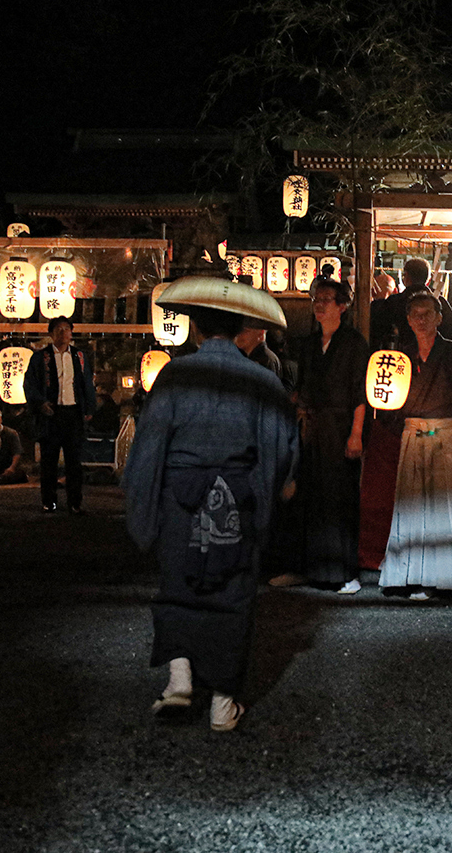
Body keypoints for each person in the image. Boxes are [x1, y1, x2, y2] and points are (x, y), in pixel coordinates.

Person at [124, 277, 298, 732]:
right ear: (241, 327)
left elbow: (149, 447)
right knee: (233, 592)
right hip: (235, 500)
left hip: (180, 499)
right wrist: (262, 505)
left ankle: (179, 682)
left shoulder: (175, 375)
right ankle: (223, 702)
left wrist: (143, 510)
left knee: (178, 583)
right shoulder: (262, 380)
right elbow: (278, 450)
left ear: (196, 330)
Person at [377, 291, 452, 603]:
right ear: (408, 321)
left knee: (448, 507)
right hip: (413, 433)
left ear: (439, 318)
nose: (421, 319)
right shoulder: (402, 357)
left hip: (446, 433)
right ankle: (411, 578)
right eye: (415, 314)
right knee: (412, 507)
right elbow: (388, 402)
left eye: (427, 313)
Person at [286, 277, 369, 592]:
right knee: (308, 497)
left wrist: (357, 434)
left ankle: (344, 572)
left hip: (341, 426)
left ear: (342, 306)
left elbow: (360, 393)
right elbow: (301, 388)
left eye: (326, 299)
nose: (319, 304)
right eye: (316, 299)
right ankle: (307, 567)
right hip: (312, 427)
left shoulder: (353, 343)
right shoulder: (308, 344)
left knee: (338, 498)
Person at [25, 317, 97, 515]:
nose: (63, 333)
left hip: (73, 412)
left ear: (71, 333)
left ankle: (75, 503)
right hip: (52, 413)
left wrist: (89, 408)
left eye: (66, 329)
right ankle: (49, 502)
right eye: (58, 329)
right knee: (49, 461)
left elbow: (87, 384)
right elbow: (29, 384)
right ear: (51, 334)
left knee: (74, 461)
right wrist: (40, 403)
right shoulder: (41, 357)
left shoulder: (80, 356)